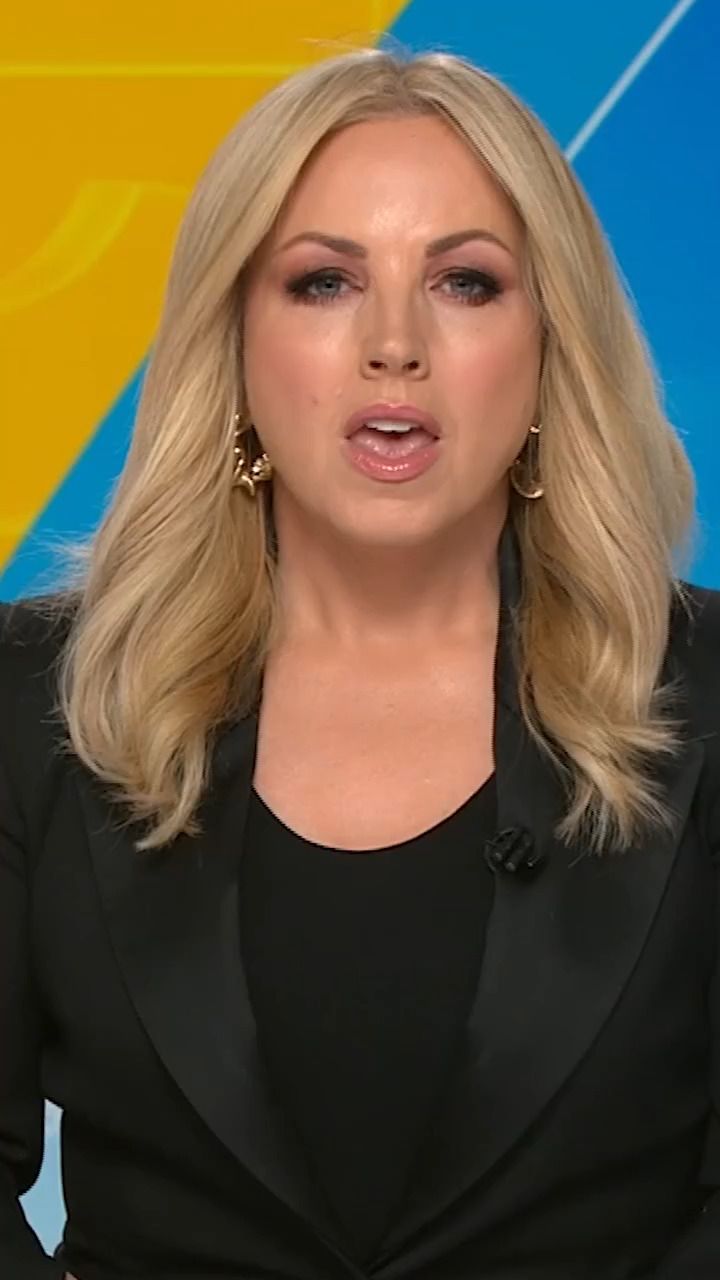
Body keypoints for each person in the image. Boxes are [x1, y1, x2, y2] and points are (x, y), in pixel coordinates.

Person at [1, 43, 719, 1280]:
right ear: (234, 339)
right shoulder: (33, 695)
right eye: (324, 281)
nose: (395, 343)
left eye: (466, 282)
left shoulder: (704, 688)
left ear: (552, 345)